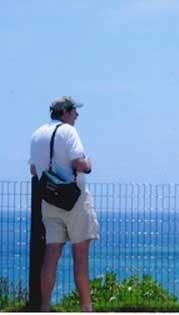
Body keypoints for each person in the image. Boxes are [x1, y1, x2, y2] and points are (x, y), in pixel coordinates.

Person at [29, 96, 98, 312]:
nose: (77, 115)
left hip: (49, 201)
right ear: (65, 112)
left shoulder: (37, 134)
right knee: (80, 256)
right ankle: (86, 308)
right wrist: (88, 163)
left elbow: (33, 170)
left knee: (52, 254)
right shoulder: (69, 131)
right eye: (74, 111)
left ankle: (45, 307)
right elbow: (79, 163)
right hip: (74, 199)